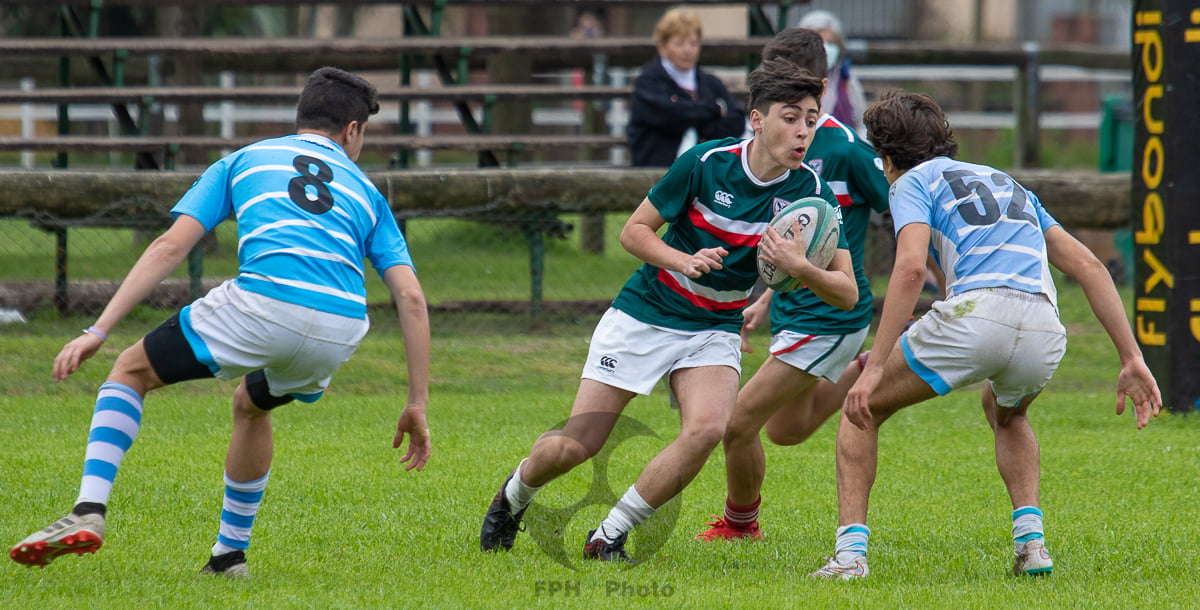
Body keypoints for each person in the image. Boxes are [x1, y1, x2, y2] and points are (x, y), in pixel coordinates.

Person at [8, 67, 433, 578]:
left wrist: (97, 330)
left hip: (264, 305)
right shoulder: (368, 192)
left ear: (302, 118)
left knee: (129, 372)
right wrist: (416, 401)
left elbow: (170, 245)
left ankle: (88, 510)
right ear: (352, 131)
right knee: (252, 405)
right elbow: (409, 297)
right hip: (339, 327)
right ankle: (229, 557)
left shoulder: (244, 160)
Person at [481, 59, 855, 562]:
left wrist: (799, 267)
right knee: (577, 445)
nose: (804, 131)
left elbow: (847, 292)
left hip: (713, 328)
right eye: (791, 117)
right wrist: (685, 259)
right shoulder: (705, 163)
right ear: (758, 120)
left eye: (811, 119)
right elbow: (632, 231)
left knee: (706, 429)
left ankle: (609, 534)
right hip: (645, 314)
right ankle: (513, 496)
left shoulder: (811, 195)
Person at [810, 90, 1163, 580]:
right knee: (1006, 413)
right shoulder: (1006, 182)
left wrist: (874, 368)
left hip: (977, 316)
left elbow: (910, 269)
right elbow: (1088, 264)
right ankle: (1031, 545)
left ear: (886, 157)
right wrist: (1130, 357)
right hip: (1044, 325)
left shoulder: (909, 181)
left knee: (860, 410)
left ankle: (850, 557)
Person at [694, 27, 891, 542]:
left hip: (830, 313)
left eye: (793, 90)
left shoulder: (846, 151)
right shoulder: (765, 144)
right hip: (793, 307)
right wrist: (762, 297)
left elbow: (906, 214)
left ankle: (741, 525)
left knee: (737, 424)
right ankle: (863, 370)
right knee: (784, 430)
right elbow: (779, 235)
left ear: (819, 88)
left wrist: (940, 278)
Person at [628, 8, 747, 167]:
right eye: (679, 43)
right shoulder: (648, 82)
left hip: (707, 169)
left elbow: (736, 121)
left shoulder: (711, 83)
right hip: (657, 170)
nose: (687, 50)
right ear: (662, 47)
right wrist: (714, 111)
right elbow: (668, 115)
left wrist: (691, 116)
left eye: (693, 43)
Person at [797, 9, 867, 137]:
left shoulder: (846, 78)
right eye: (819, 42)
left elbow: (861, 124)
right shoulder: (792, 78)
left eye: (830, 43)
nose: (825, 48)